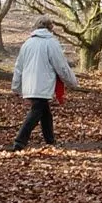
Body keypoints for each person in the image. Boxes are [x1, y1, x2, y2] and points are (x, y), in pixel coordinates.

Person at [9, 15, 80, 150]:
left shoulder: (28, 43)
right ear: (50, 28)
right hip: (43, 84)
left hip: (29, 83)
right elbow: (61, 66)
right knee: (36, 111)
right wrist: (73, 82)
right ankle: (20, 141)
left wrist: (16, 86)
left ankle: (50, 140)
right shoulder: (51, 43)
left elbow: (19, 67)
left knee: (44, 112)